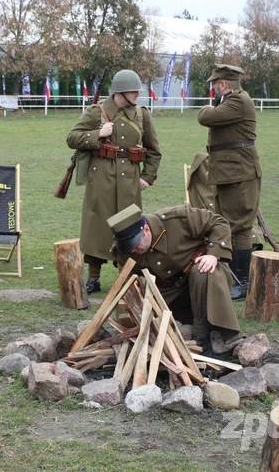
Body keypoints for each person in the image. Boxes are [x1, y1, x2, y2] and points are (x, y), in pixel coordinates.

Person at [66, 70, 161, 295]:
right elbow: (72, 138)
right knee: (97, 226)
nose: (138, 94)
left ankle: (126, 277)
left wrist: (148, 176)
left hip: (129, 178)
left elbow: (154, 150)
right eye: (133, 90)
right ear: (120, 91)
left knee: (129, 227)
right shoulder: (97, 111)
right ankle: (93, 278)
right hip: (101, 178)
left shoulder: (141, 114)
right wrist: (98, 134)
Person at [107, 203, 241, 354]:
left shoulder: (177, 219)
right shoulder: (125, 250)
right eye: (127, 247)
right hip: (169, 291)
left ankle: (201, 335)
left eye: (134, 244)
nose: (132, 250)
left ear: (146, 230)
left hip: (204, 279)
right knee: (155, 328)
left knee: (202, 271)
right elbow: (126, 284)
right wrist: (126, 319)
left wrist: (213, 253)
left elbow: (219, 223)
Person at [197, 64, 261, 301]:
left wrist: (207, 106)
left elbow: (205, 116)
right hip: (229, 172)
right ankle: (233, 277)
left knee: (240, 226)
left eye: (215, 85)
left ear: (223, 85)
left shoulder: (237, 102)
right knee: (226, 223)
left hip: (238, 173)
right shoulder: (232, 101)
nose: (213, 89)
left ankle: (242, 282)